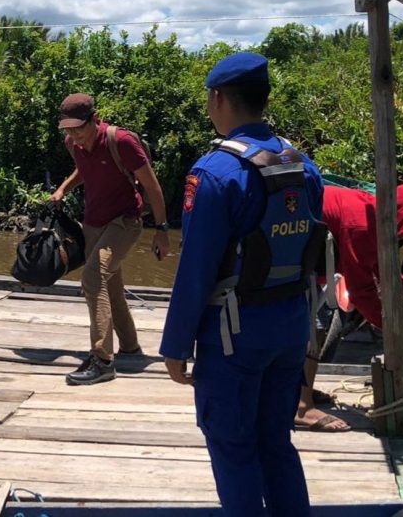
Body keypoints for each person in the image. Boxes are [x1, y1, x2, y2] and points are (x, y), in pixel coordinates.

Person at [160, 52, 324, 516]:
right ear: (264, 99)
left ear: (217, 98)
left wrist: (176, 346)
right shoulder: (303, 166)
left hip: (234, 336)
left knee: (233, 448)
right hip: (290, 328)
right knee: (276, 443)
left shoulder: (214, 172)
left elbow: (196, 268)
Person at [295, 177, 403, 432]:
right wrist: (396, 333)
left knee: (314, 325)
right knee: (313, 328)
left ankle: (298, 387)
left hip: (309, 262)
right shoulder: (361, 224)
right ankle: (301, 406)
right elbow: (361, 290)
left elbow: (385, 269)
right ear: (400, 214)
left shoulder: (375, 216)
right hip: (294, 258)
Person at [51, 93, 170, 386]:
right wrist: (63, 189)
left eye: (79, 128)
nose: (74, 135)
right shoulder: (73, 143)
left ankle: (102, 360)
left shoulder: (122, 141)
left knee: (93, 278)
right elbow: (85, 169)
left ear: (94, 119)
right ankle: (129, 346)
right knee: (111, 287)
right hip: (93, 224)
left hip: (124, 222)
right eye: (68, 129)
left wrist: (162, 229)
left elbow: (152, 186)